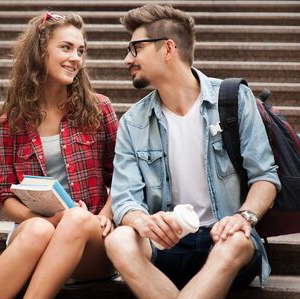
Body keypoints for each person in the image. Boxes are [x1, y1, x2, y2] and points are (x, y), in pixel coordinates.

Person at [104, 4, 281, 299]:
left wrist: (243, 217)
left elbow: (265, 176)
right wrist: (144, 222)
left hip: (222, 240)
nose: (127, 59)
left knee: (236, 241)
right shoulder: (133, 122)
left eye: (135, 48)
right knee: (118, 241)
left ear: (168, 48)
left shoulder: (233, 98)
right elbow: (124, 199)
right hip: (165, 245)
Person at [0, 12, 118, 299]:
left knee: (76, 218)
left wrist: (106, 215)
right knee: (38, 229)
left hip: (90, 237)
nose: (76, 58)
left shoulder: (99, 109)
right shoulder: (12, 120)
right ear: (41, 51)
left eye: (80, 50)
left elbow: (123, 175)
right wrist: (46, 219)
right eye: (66, 47)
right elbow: (5, 195)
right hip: (37, 233)